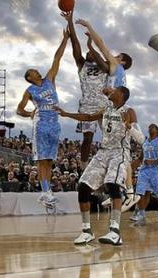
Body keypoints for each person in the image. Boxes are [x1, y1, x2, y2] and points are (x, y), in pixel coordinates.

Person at [56, 86, 141, 246]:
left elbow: (141, 139)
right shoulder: (107, 108)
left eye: (114, 91)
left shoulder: (129, 111)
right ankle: (86, 231)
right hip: (103, 152)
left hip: (119, 152)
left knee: (112, 184)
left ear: (121, 94)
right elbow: (88, 117)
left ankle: (115, 232)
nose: (111, 92)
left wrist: (129, 126)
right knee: (83, 186)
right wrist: (66, 114)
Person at [75, 18, 137, 209]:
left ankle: (129, 192)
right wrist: (90, 45)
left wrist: (89, 26)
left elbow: (101, 44)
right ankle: (122, 190)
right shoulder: (117, 73)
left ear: (122, 61)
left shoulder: (117, 67)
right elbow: (98, 54)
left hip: (118, 110)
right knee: (116, 151)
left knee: (121, 150)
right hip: (114, 109)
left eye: (117, 56)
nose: (113, 56)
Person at [17, 29, 70, 210]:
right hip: (40, 123)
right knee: (41, 161)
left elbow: (57, 58)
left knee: (49, 161)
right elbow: (19, 110)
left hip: (54, 123)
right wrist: (29, 114)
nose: (37, 70)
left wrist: (65, 39)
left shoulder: (49, 79)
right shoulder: (29, 91)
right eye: (33, 71)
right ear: (29, 77)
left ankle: (46, 192)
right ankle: (45, 191)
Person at [64, 11, 111, 166]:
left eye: (92, 52)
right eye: (87, 52)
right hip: (87, 106)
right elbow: (75, 43)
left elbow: (101, 53)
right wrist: (70, 21)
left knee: (110, 136)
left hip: (104, 105)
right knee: (88, 138)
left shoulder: (105, 66)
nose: (88, 53)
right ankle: (84, 167)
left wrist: (91, 45)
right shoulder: (82, 64)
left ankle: (110, 163)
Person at [131, 124, 158, 225]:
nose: (150, 128)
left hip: (155, 170)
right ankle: (141, 216)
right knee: (140, 193)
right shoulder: (145, 142)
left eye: (152, 127)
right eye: (149, 127)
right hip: (144, 170)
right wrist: (131, 167)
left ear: (156, 130)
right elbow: (141, 158)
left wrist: (152, 162)